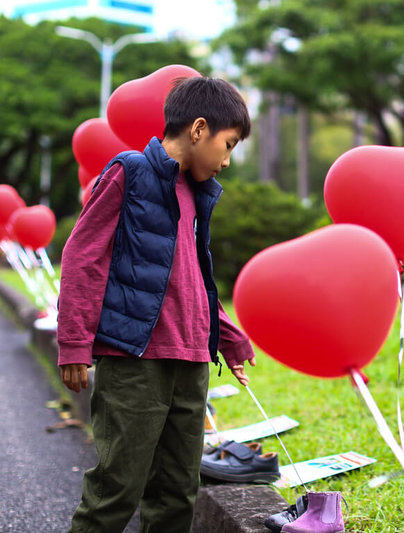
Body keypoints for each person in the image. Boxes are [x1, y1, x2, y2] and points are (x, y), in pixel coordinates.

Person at [57, 76, 256, 533]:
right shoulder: (129, 171)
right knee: (116, 488)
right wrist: (73, 343)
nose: (226, 161)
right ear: (199, 129)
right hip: (136, 359)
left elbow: (197, 278)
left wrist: (227, 339)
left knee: (176, 492)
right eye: (227, 146)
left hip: (190, 361)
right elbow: (83, 256)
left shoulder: (196, 193)